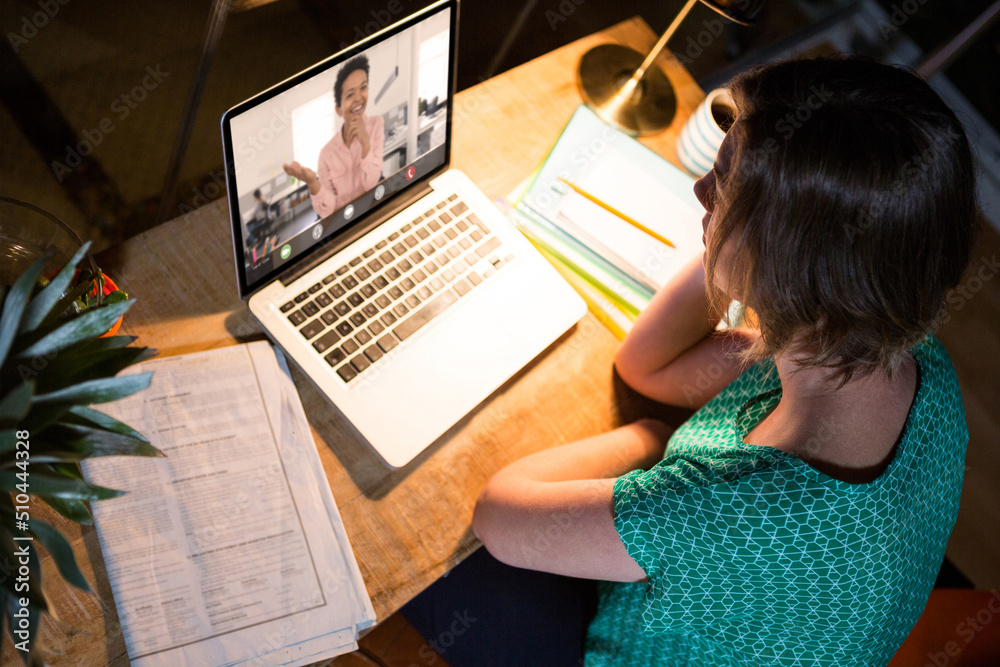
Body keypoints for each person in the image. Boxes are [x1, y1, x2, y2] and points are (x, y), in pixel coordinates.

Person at [404, 56, 980, 665]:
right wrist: (740, 246)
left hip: (626, 634)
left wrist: (651, 441)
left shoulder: (733, 509)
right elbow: (646, 367)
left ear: (788, 256)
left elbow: (500, 513)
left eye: (725, 182)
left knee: (428, 540)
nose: (699, 190)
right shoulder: (902, 355)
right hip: (738, 594)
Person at [282, 55, 384, 219]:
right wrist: (313, 182)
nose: (358, 97)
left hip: (372, 213)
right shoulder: (326, 154)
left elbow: (371, 183)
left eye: (363, 87)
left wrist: (365, 143)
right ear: (338, 109)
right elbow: (328, 210)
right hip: (344, 224)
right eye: (350, 94)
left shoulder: (376, 125)